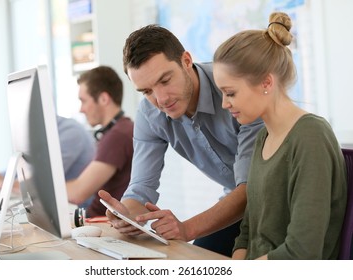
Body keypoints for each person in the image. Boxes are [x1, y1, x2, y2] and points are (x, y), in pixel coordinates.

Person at [98, 24, 264, 256]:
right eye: (146, 91)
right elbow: (141, 189)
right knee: (195, 259)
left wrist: (186, 228)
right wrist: (126, 214)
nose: (161, 99)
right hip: (240, 205)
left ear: (186, 61)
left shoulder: (233, 90)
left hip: (279, 197)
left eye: (165, 80)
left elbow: (252, 187)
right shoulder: (150, 113)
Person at [212, 12, 347, 259]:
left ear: (266, 83)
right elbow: (247, 230)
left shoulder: (311, 137)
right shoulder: (263, 137)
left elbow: (303, 251)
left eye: (230, 93)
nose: (224, 104)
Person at [0, 115, 96, 209]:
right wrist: (1, 182)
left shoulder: (71, 133)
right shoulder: (36, 134)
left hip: (73, 211)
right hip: (47, 206)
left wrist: (4, 183)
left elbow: (34, 182)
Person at [65, 66, 134, 218]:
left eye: (83, 101)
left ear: (103, 99)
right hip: (96, 221)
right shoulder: (121, 129)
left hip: (101, 226)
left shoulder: (118, 135)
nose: (81, 109)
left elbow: (78, 193)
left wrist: (36, 191)